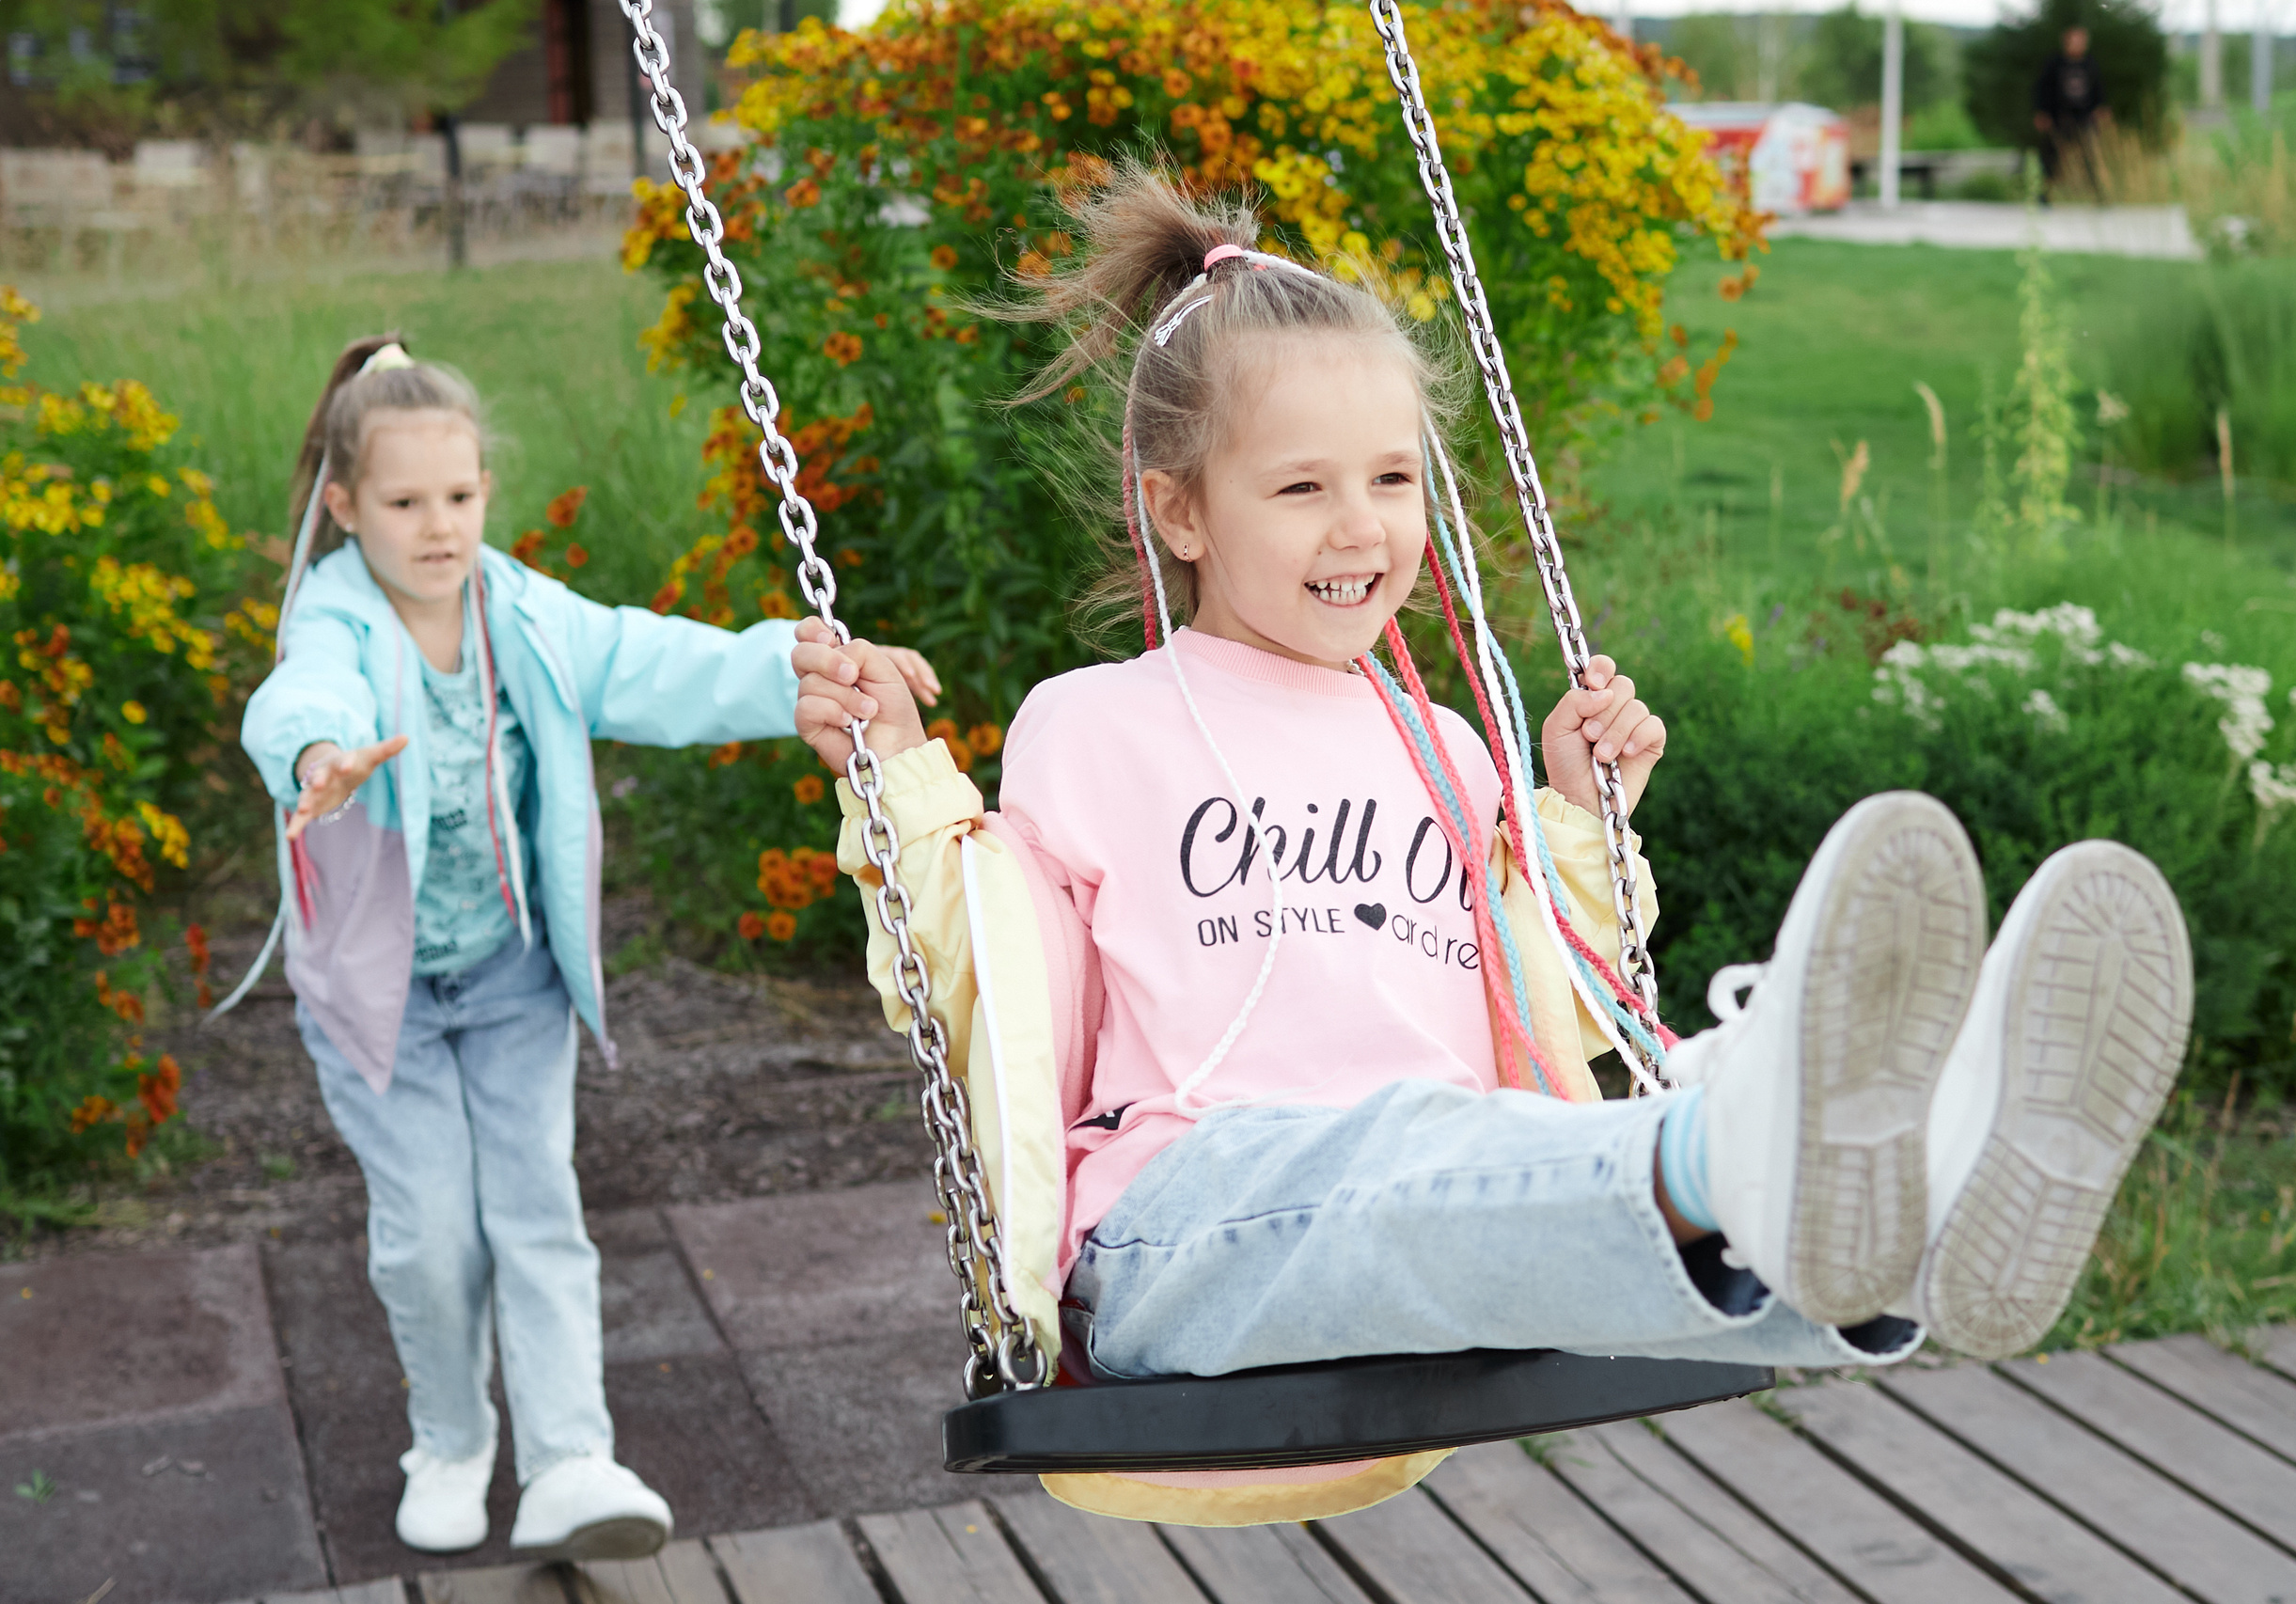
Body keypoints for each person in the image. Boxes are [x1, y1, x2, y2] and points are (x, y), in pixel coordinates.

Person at [791, 169, 2190, 1398]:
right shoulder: (1092, 724)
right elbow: (1001, 994)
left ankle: (1924, 1198)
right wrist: (903, 789)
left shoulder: (1447, 747)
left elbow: (1543, 1007)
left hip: (1445, 1214)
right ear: (1179, 509)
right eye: (1301, 490)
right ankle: (1748, 1137)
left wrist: (1572, 819)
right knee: (1421, 1150)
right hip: (1186, 1231)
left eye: (1394, 478)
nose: (1363, 527)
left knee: (1537, 1160)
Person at [239, 338, 937, 1561]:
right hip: (383, 998)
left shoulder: (520, 612)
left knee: (538, 1210)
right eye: (405, 504)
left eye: (460, 497)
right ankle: (449, 1439)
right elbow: (303, 693)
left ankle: (569, 1457)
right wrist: (320, 760)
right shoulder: (337, 617)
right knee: (433, 1234)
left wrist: (795, 667)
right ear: (344, 507)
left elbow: (647, 658)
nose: (440, 527)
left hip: (512, 976)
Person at [2033, 24, 2108, 199]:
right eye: (2074, 40)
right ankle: (2044, 195)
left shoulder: (2090, 64)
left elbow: (2099, 89)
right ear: (2066, 42)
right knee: (2052, 157)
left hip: (2085, 118)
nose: (2077, 44)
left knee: (2090, 156)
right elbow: (2042, 89)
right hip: (2059, 117)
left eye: (2081, 41)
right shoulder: (2054, 63)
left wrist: (2101, 108)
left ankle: (2098, 195)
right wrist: (2042, 112)